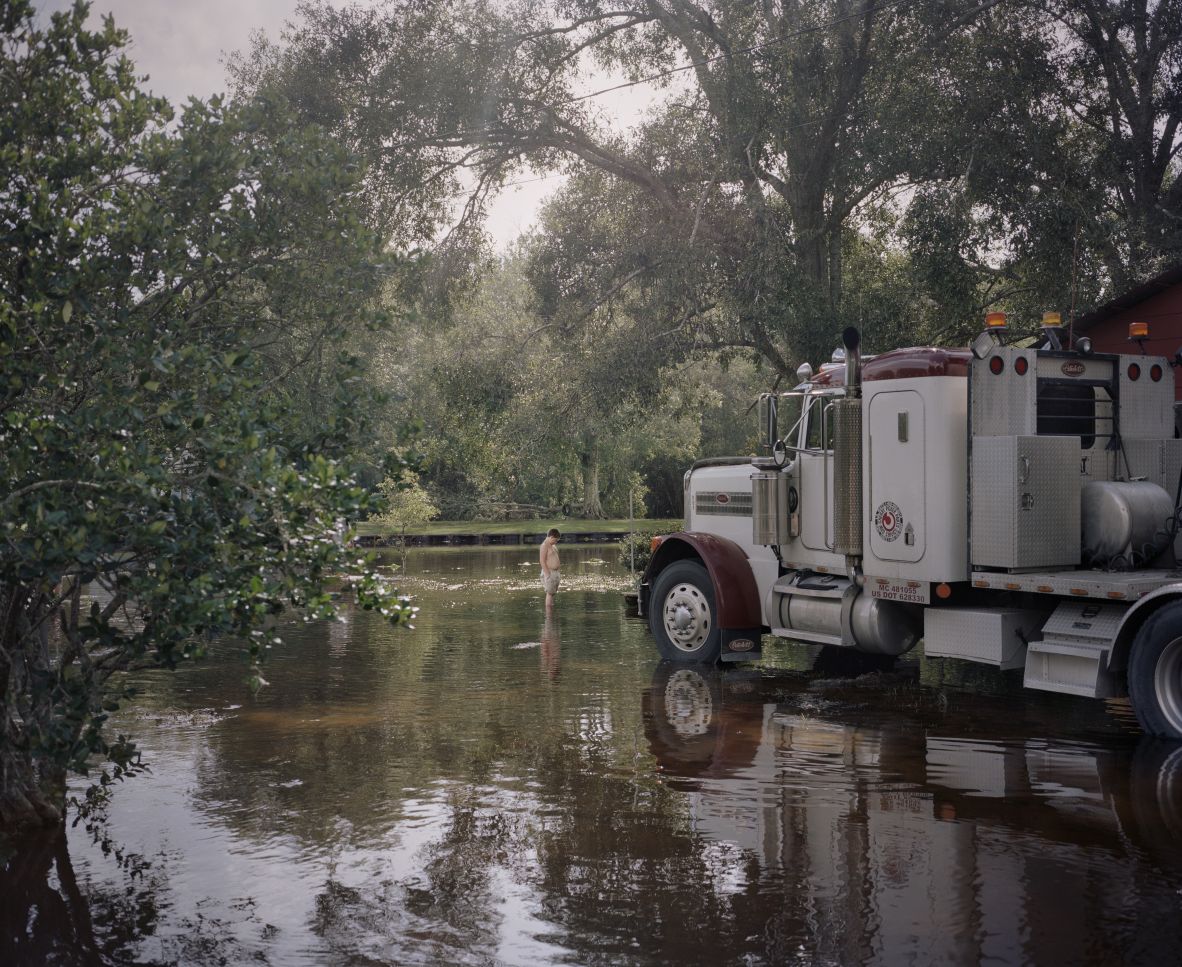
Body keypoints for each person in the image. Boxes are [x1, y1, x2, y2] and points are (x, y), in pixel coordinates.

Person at [539, 527, 561, 610]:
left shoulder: (553, 546)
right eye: (555, 540)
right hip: (549, 572)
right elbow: (542, 561)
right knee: (549, 593)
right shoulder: (544, 545)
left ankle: (551, 610)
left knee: (553, 593)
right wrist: (547, 574)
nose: (556, 542)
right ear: (551, 537)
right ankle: (548, 614)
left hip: (555, 573)